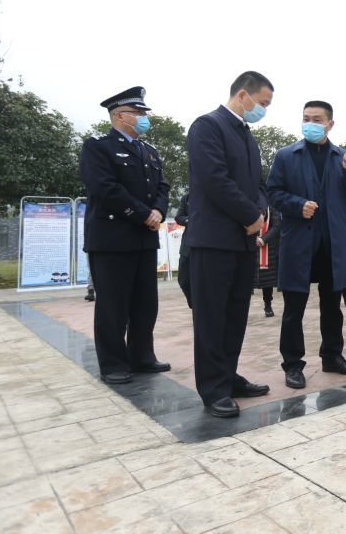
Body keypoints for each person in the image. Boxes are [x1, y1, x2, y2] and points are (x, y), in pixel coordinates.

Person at [186, 72, 272, 417]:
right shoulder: (207, 126)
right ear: (243, 95)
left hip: (243, 241)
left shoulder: (247, 135)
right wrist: (249, 214)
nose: (264, 110)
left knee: (235, 316)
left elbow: (259, 184)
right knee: (211, 317)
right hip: (214, 240)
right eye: (262, 103)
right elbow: (214, 179)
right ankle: (213, 389)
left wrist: (260, 211)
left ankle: (228, 375)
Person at [267, 100, 346, 390]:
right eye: (306, 118)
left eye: (317, 119)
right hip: (299, 242)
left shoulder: (344, 158)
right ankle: (293, 364)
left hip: (332, 243)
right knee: (294, 308)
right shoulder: (286, 156)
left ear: (330, 124)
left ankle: (332, 356)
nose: (310, 124)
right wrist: (297, 204)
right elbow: (272, 192)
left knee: (332, 306)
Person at [79, 86, 171, 385]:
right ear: (120, 116)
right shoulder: (99, 147)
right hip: (112, 240)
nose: (143, 118)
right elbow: (105, 188)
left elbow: (162, 187)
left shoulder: (149, 151)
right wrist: (143, 214)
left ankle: (141, 356)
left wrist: (158, 211)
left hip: (144, 239)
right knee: (113, 305)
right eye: (138, 113)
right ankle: (113, 364)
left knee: (145, 303)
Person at [254, 205, 281, 317]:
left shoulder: (271, 205)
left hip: (268, 246)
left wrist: (263, 239)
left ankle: (268, 304)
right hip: (250, 243)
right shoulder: (249, 201)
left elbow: (276, 225)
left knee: (267, 278)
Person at [174, 192, 192, 308]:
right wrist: (189, 220)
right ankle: (195, 305)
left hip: (207, 247)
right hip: (187, 247)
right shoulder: (187, 197)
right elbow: (179, 217)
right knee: (184, 280)